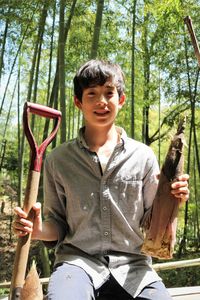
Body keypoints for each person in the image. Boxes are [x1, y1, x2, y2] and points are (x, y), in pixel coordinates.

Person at [13, 59, 189, 300]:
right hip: (77, 264)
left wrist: (172, 199)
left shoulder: (143, 156)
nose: (102, 101)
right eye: (92, 93)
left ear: (122, 99)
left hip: (134, 266)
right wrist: (38, 229)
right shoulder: (58, 159)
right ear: (78, 102)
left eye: (109, 92)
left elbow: (153, 222)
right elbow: (59, 225)